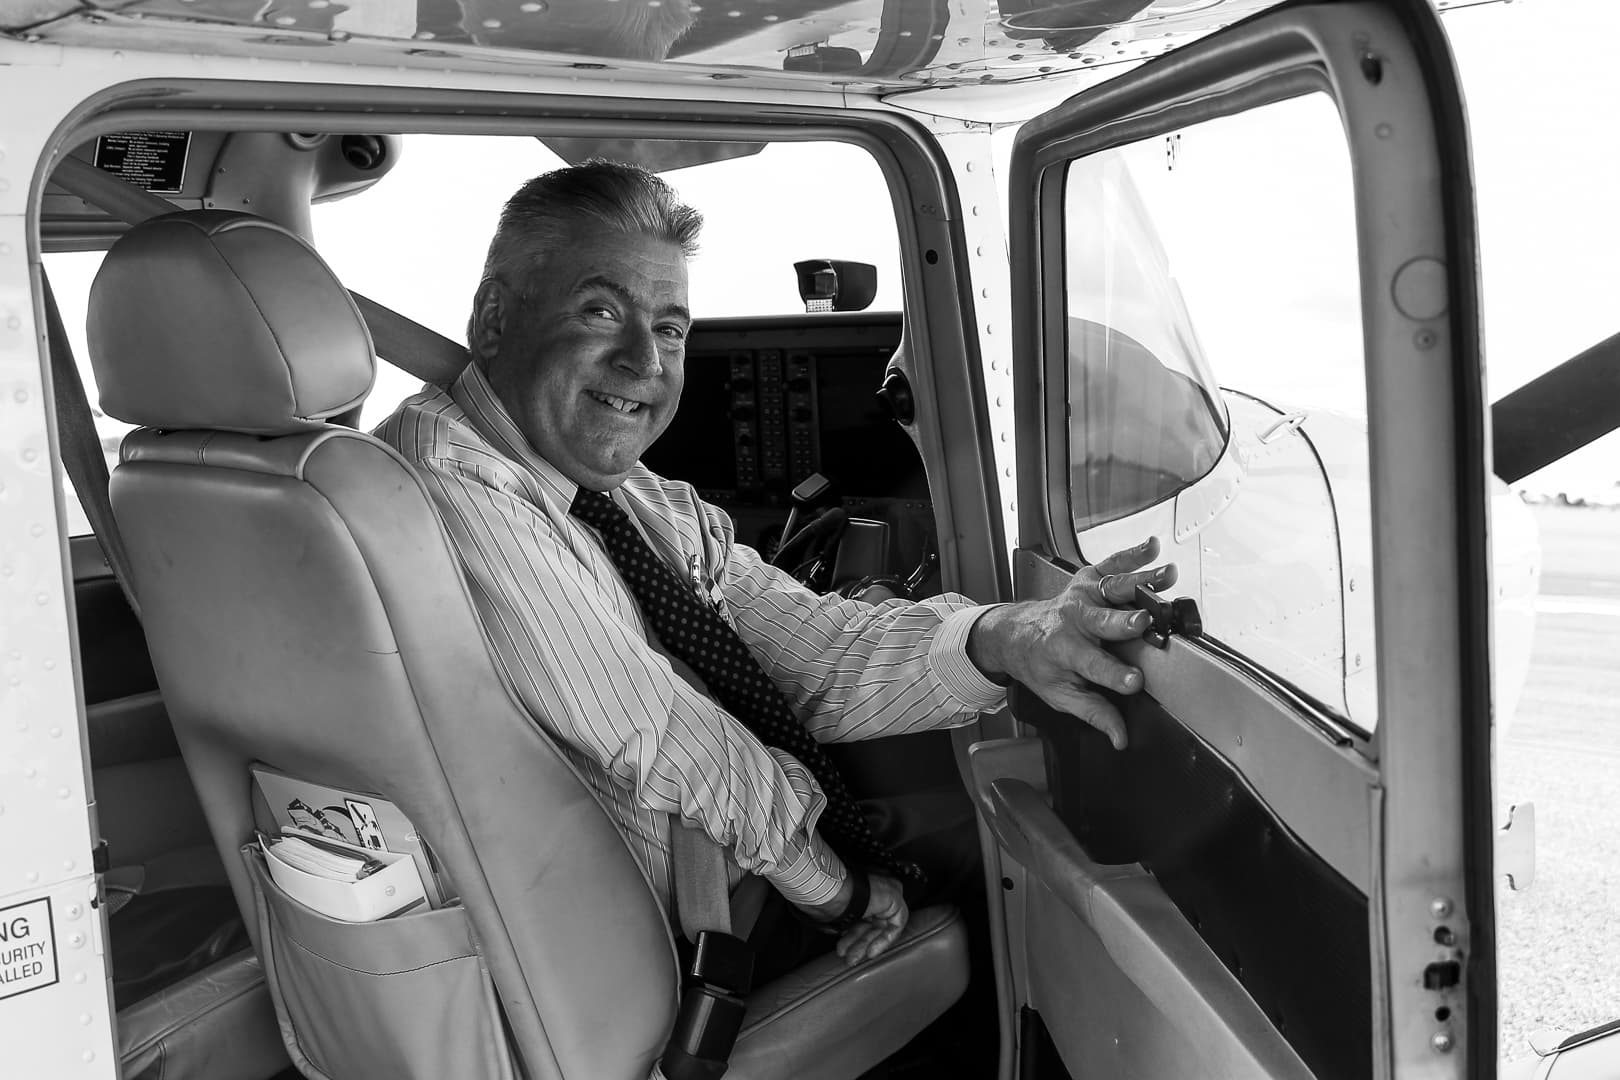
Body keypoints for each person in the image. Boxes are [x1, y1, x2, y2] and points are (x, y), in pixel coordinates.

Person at [375, 160, 1175, 970]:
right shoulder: (446, 478)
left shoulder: (619, 493)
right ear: (494, 320)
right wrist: (842, 892)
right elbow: (667, 740)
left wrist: (1005, 638)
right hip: (673, 930)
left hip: (695, 865)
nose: (645, 360)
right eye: (600, 311)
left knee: (980, 814)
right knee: (1030, 858)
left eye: (670, 328)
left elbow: (813, 652)